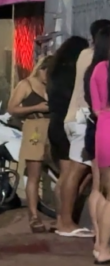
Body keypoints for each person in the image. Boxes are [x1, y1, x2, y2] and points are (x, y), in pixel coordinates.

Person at [59, 21, 110, 239]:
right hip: (84, 120)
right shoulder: (99, 64)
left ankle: (64, 219)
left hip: (77, 118)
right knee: (79, 171)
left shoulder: (83, 56)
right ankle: (66, 221)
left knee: (75, 172)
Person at [7, 57, 52, 233]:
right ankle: (33, 215)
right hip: (34, 128)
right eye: (46, 71)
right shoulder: (26, 85)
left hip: (52, 128)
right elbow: (12, 108)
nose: (48, 76)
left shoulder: (53, 85)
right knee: (34, 174)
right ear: (40, 69)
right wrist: (36, 108)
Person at [48, 36, 90, 215]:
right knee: (73, 175)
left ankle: (62, 217)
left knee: (65, 176)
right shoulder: (71, 73)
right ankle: (66, 218)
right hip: (69, 123)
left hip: (56, 123)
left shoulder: (54, 71)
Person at [88, 37, 110, 263]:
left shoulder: (100, 69)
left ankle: (101, 246)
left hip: (104, 128)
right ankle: (104, 249)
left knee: (106, 193)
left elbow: (95, 108)